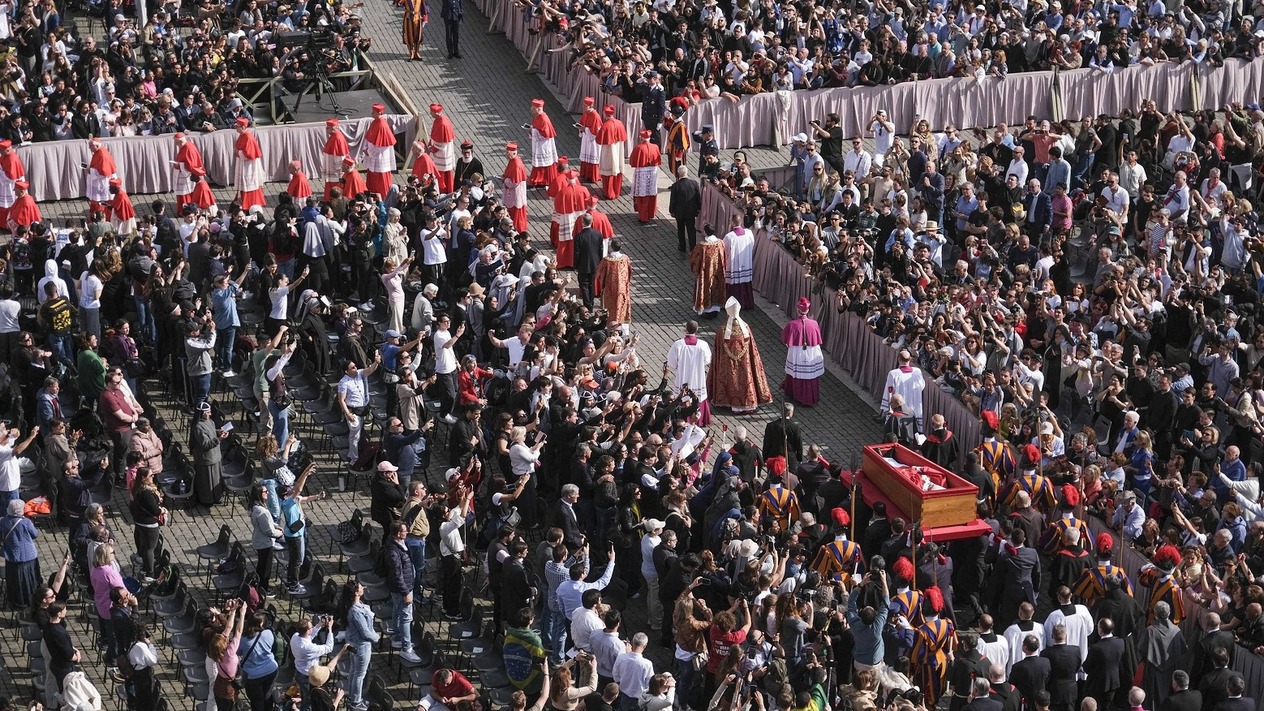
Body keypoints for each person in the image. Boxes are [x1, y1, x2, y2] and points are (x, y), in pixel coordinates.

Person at [707, 297, 771, 414]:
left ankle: (728, 402)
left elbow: (717, 353)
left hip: (727, 365)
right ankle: (748, 403)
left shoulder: (722, 331)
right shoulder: (746, 329)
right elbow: (753, 352)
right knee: (745, 380)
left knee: (730, 379)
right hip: (745, 365)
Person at [666, 321, 713, 426]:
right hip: (697, 377)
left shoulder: (678, 344)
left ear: (685, 329)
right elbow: (707, 361)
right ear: (697, 330)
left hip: (682, 376)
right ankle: (700, 419)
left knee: (681, 395)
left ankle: (684, 419)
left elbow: (671, 363)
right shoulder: (703, 345)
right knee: (698, 396)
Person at [337, 352, 381, 463]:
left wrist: (376, 362)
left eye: (355, 366)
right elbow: (341, 400)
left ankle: (359, 451)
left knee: (359, 432)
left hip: (363, 409)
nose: (355, 368)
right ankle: (353, 457)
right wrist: (348, 414)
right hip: (353, 411)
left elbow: (370, 370)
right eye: (352, 367)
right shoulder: (344, 382)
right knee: (354, 434)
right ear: (347, 371)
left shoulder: (360, 373)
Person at [782, 297, 825, 406]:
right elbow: (818, 339)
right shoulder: (814, 323)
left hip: (797, 353)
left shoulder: (792, 324)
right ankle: (811, 396)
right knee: (811, 375)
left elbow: (785, 338)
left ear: (797, 310)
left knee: (796, 373)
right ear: (808, 310)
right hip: (811, 353)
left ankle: (796, 394)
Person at [1, 498, 40, 609]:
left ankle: (15, 600)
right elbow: (35, 534)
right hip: (28, 556)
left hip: (12, 556)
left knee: (15, 580)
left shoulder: (3, 521)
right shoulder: (26, 522)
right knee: (29, 579)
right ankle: (30, 599)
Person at [238, 611, 279, 711]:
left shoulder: (243, 639)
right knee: (267, 695)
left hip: (253, 675)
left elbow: (238, 653)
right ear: (261, 624)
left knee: (257, 701)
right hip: (271, 670)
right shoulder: (268, 633)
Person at [190, 400, 227, 506]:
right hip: (206, 458)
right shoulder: (198, 427)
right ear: (202, 413)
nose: (210, 414)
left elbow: (211, 431)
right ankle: (207, 500)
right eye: (208, 412)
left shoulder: (210, 421)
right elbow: (206, 444)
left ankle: (216, 497)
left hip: (215, 456)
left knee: (216, 479)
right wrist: (219, 439)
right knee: (207, 481)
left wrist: (218, 432)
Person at [249, 482, 282, 595]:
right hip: (265, 543)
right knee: (265, 568)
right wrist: (280, 533)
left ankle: (258, 585)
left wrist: (276, 526)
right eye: (265, 491)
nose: (267, 492)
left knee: (261, 565)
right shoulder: (262, 511)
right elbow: (269, 531)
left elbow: (269, 524)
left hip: (260, 541)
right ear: (259, 494)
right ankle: (263, 588)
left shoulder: (256, 507)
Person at [883, 349, 927, 432]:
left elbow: (889, 391)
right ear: (910, 359)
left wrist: (887, 408)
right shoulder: (917, 372)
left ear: (898, 359)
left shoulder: (893, 374)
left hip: (898, 407)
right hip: (914, 406)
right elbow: (922, 386)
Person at [593, 239, 632, 325]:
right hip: (622, 288)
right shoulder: (625, 258)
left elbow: (599, 272)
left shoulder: (607, 260)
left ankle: (610, 323)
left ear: (611, 247)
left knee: (611, 306)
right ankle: (620, 321)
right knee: (620, 305)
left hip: (610, 288)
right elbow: (629, 271)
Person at [362, 103, 396, 198]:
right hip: (372, 154)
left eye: (374, 112)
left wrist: (369, 152)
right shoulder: (374, 122)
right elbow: (369, 137)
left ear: (379, 113)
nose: (371, 114)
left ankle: (383, 197)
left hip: (380, 156)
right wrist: (366, 148)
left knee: (380, 177)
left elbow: (381, 145)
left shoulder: (382, 125)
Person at [721, 213, 754, 308]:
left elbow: (724, 250)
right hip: (746, 262)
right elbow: (752, 245)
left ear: (732, 222)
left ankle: (732, 305)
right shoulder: (749, 233)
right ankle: (747, 303)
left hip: (734, 264)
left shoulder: (729, 236)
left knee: (733, 283)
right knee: (745, 282)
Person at [595, 105, 627, 200]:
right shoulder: (620, 123)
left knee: (608, 171)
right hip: (619, 150)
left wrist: (599, 132)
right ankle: (616, 191)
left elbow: (599, 139)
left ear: (605, 114)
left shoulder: (606, 125)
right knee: (617, 170)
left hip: (609, 151)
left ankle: (609, 193)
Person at [233, 116, 265, 211]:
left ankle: (250, 203)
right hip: (243, 163)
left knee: (249, 183)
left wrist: (237, 152)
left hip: (249, 165)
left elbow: (249, 154)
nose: (236, 128)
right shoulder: (242, 135)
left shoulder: (248, 137)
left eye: (237, 126)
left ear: (243, 127)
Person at [629, 130, 661, 223]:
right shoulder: (655, 147)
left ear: (641, 137)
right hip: (652, 173)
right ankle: (651, 212)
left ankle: (643, 216)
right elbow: (658, 160)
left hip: (641, 173)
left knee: (642, 195)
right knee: (651, 193)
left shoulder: (638, 148)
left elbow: (632, 162)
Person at [669, 165, 701, 252]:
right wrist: (698, 208)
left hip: (680, 212)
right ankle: (693, 247)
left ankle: (682, 246)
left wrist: (671, 210)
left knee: (681, 229)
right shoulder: (694, 183)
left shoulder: (675, 186)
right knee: (691, 229)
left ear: (679, 174)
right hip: (691, 211)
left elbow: (673, 200)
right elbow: (698, 197)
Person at [428, 104, 457, 191]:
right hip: (441, 149)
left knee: (441, 175)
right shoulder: (439, 119)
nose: (430, 114)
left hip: (442, 153)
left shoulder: (443, 123)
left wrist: (432, 148)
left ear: (436, 113)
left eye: (431, 112)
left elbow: (442, 143)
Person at [503, 142, 529, 232]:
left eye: (507, 153)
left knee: (516, 214)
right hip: (513, 192)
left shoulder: (517, 164)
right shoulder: (513, 160)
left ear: (513, 153)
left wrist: (505, 180)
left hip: (516, 193)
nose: (506, 155)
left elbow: (514, 183)